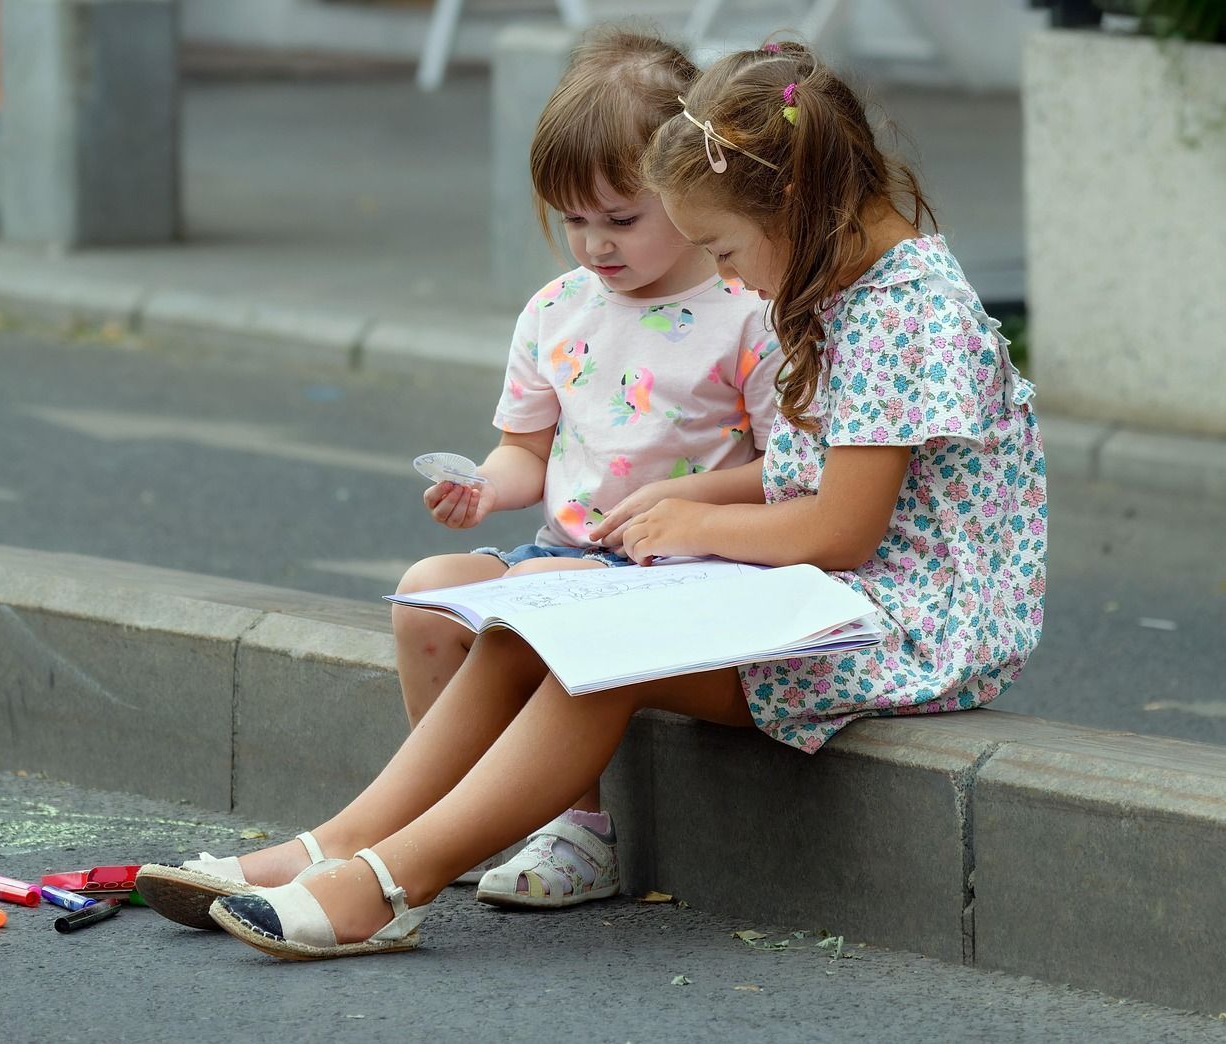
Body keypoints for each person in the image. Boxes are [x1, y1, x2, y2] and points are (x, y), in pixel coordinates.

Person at [135, 38, 1045, 961]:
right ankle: (332, 848)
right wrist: (690, 514)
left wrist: (696, 518)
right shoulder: (852, 278)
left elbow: (843, 531)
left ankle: (384, 885)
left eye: (724, 248)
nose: (733, 278)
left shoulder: (903, 311)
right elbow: (812, 490)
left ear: (794, 204)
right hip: (828, 595)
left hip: (906, 627)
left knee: (604, 648)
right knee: (522, 625)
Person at [389, 28, 781, 907]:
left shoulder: (745, 309)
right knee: (424, 597)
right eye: (573, 220)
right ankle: (452, 816)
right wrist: (484, 487)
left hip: (686, 565)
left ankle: (580, 833)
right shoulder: (557, 310)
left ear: (688, 187)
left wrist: (683, 500)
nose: (595, 245)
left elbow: (786, 472)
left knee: (543, 603)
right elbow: (527, 451)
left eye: (621, 219)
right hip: (565, 552)